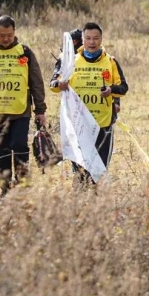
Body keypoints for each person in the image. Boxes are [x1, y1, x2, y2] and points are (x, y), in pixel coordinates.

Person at [0, 15, 48, 198]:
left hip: (21, 110)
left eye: (9, 35)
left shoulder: (25, 53)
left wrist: (40, 110)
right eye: (2, 35)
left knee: (20, 145)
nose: (6, 39)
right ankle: (5, 189)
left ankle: (22, 186)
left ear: (15, 32)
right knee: (2, 150)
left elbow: (36, 82)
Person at [51, 22, 128, 184]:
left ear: (101, 39)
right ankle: (81, 202)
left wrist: (111, 90)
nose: (92, 42)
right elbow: (53, 84)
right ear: (82, 40)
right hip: (78, 124)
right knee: (81, 171)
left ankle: (95, 203)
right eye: (88, 38)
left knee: (99, 170)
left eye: (95, 38)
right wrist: (60, 85)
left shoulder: (111, 61)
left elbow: (123, 87)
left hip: (103, 123)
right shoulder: (71, 61)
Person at [50, 28, 121, 117]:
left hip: (101, 113)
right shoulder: (65, 59)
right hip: (74, 112)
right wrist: (58, 84)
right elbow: (53, 82)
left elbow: (114, 82)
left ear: (74, 42)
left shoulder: (103, 58)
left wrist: (116, 102)